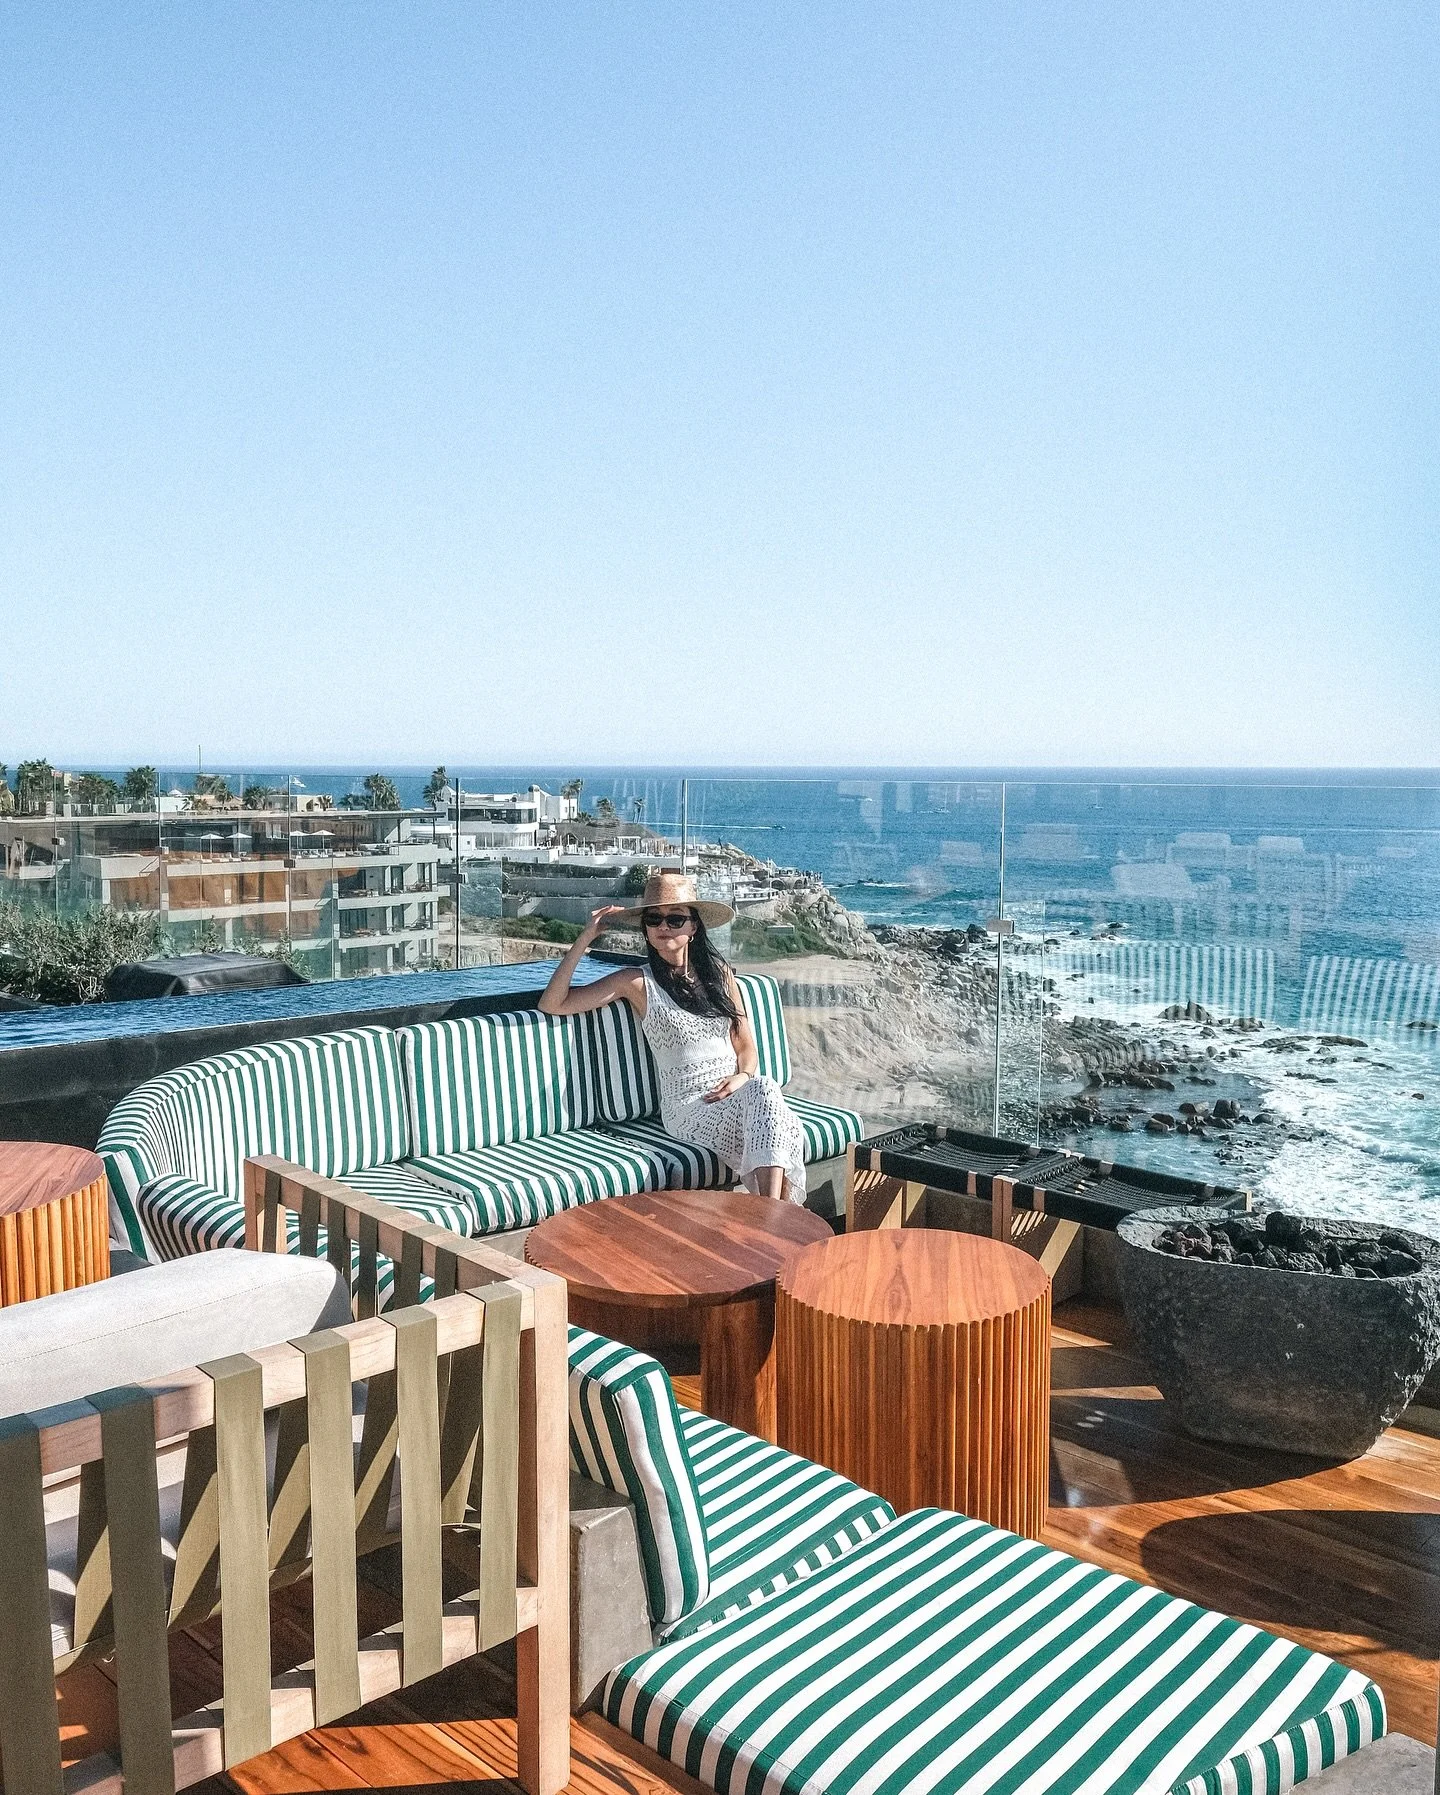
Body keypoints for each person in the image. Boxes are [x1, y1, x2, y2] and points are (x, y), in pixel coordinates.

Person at [537, 871, 807, 1202]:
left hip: (736, 1092)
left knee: (766, 1094)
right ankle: (776, 1217)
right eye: (654, 919)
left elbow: (745, 1042)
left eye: (676, 919)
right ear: (646, 930)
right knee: (772, 1108)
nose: (664, 927)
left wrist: (742, 1077)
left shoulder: (720, 975)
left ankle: (770, 1216)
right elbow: (553, 1004)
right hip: (689, 1107)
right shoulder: (636, 982)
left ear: (694, 927)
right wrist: (585, 938)